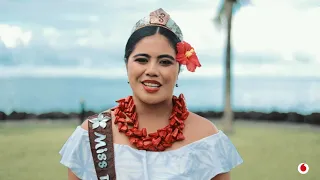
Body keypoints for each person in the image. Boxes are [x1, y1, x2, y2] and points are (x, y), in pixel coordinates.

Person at [59, 8, 243, 180]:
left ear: (179, 69)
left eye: (164, 62)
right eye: (141, 60)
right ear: (126, 64)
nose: (152, 70)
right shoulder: (91, 135)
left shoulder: (207, 138)